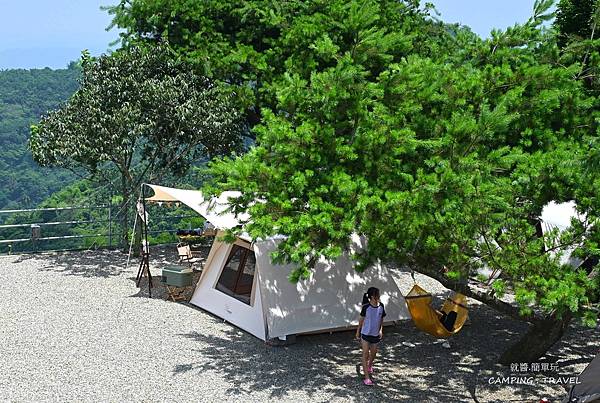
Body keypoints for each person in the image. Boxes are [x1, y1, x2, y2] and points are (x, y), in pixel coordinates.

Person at [355, 287, 386, 386]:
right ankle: (367, 378)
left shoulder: (381, 306)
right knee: (365, 354)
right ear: (372, 296)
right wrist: (358, 332)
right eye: (377, 294)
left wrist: (381, 330)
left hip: (375, 334)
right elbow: (361, 320)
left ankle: (369, 365)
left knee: (373, 353)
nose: (379, 295)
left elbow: (381, 319)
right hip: (365, 334)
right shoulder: (366, 307)